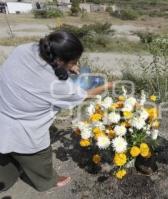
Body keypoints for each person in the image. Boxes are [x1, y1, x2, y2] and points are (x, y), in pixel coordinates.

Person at [0, 31, 113, 192]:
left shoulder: (24, 49)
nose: (75, 64)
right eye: (73, 61)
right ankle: (47, 181)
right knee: (38, 158)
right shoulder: (58, 86)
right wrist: (107, 86)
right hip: (24, 129)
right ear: (60, 60)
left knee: (4, 160)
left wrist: (66, 66)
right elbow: (83, 95)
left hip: (3, 109)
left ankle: (6, 179)